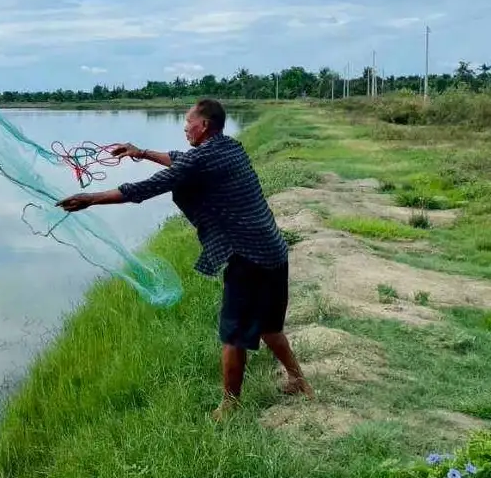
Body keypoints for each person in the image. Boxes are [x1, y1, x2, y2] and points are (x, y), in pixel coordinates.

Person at [56, 98, 314, 420]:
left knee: (232, 335)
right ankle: (299, 380)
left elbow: (148, 188)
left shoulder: (204, 158)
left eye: (187, 123)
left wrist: (91, 198)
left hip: (248, 256)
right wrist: (141, 152)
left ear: (203, 125)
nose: (184, 129)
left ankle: (230, 407)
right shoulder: (230, 147)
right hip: (273, 249)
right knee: (269, 326)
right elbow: (182, 161)